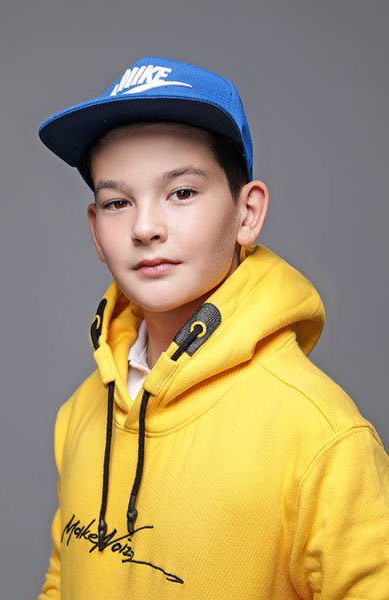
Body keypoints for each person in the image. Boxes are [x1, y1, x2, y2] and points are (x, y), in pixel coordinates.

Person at [37, 57, 389, 599]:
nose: (145, 227)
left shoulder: (321, 435)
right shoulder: (81, 413)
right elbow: (61, 585)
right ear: (95, 229)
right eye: (117, 202)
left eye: (181, 192)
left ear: (247, 213)